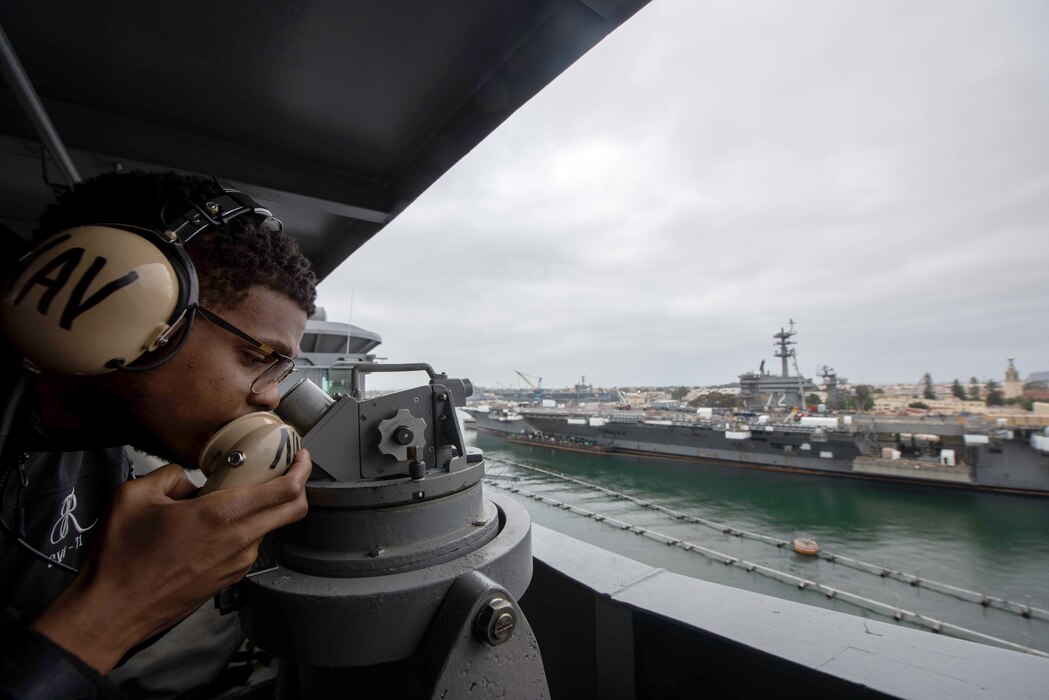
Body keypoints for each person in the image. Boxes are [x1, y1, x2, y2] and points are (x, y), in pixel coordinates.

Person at [0, 170, 316, 698]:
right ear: (120, 307)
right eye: (256, 356)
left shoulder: (101, 457)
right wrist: (120, 608)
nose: (268, 398)